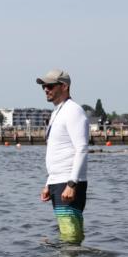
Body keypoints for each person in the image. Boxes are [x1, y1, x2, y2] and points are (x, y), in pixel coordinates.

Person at [37, 69, 89, 245]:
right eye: (44, 86)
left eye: (50, 85)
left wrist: (71, 184)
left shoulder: (74, 111)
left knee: (70, 235)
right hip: (57, 181)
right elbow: (57, 151)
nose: (46, 89)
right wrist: (48, 183)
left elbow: (81, 148)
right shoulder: (57, 112)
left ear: (64, 86)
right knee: (66, 233)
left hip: (68, 182)